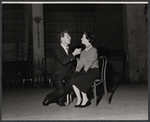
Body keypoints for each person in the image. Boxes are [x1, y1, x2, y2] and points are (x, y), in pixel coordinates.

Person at [42, 30, 81, 106]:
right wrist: (74, 54)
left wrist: (77, 62)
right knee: (60, 91)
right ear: (62, 38)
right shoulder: (56, 49)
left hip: (67, 73)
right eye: (68, 36)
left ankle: (60, 99)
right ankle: (48, 98)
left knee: (74, 79)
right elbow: (63, 61)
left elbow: (70, 63)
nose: (70, 37)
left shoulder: (69, 50)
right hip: (58, 74)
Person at [71, 31, 100, 108]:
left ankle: (85, 99)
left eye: (82, 37)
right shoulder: (83, 52)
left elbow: (90, 62)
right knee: (73, 79)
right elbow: (81, 63)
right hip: (86, 70)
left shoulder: (94, 50)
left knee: (81, 78)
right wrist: (77, 71)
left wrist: (84, 71)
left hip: (93, 71)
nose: (81, 38)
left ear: (88, 39)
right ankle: (79, 99)